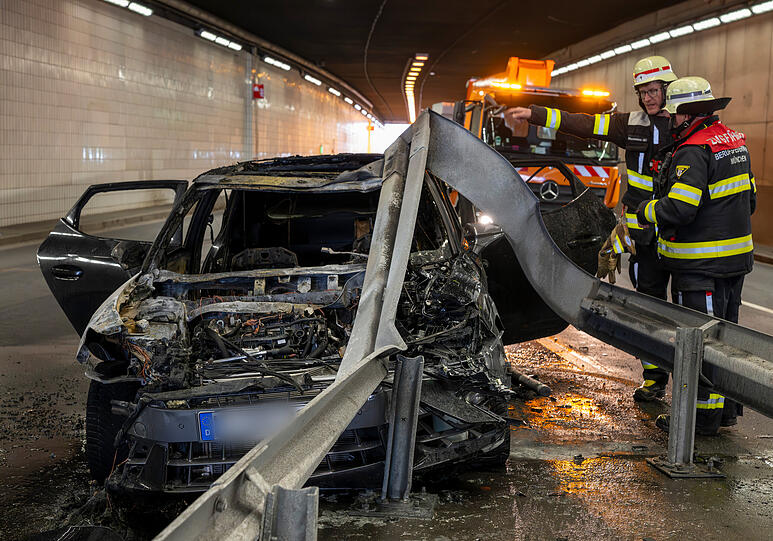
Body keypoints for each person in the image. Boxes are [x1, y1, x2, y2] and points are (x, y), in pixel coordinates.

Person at [504, 56, 677, 401]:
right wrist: (534, 114)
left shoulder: (684, 125)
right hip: (644, 233)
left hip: (678, 230)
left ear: (667, 89)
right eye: (643, 92)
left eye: (654, 90)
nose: (648, 98)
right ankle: (655, 379)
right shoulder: (631, 124)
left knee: (687, 311)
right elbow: (581, 123)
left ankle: (701, 387)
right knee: (647, 307)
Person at [636, 76, 756, 435]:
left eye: (674, 116)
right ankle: (724, 412)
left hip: (700, 266)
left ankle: (700, 420)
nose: (670, 122)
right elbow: (750, 200)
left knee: (698, 344)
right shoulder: (734, 141)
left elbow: (681, 208)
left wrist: (646, 210)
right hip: (735, 263)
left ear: (687, 116)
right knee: (726, 342)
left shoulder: (693, 150)